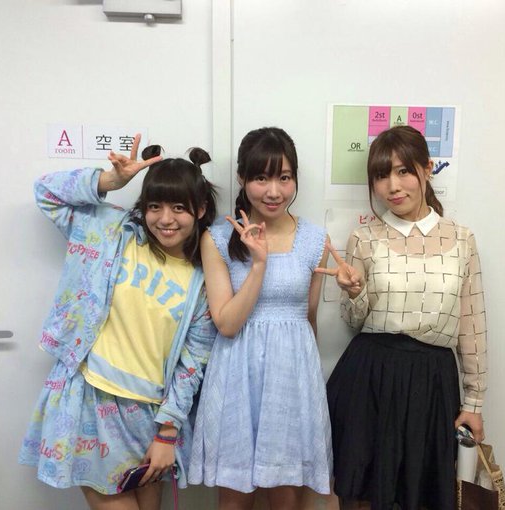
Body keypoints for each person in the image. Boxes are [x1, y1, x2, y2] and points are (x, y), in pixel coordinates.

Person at [18, 134, 218, 510]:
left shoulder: (203, 279)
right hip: (90, 398)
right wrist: (111, 181)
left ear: (201, 209)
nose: (165, 219)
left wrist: (167, 432)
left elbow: (193, 362)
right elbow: (46, 193)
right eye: (155, 206)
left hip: (149, 414)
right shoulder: (110, 232)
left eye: (179, 208)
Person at [318, 125, 487, 510]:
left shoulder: (461, 239)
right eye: (381, 176)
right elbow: (354, 321)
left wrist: (475, 402)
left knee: (422, 494)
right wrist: (355, 292)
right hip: (370, 378)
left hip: (432, 381)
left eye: (404, 171)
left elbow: (472, 323)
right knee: (359, 493)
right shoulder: (365, 238)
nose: (392, 186)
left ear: (427, 169)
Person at [188, 127, 333, 509]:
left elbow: (310, 317)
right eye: (261, 178)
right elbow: (226, 323)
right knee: (234, 499)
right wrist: (258, 265)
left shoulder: (315, 240)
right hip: (237, 374)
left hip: (292, 378)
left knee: (286, 497)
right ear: (242, 178)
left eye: (284, 178)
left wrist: (308, 386)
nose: (273, 191)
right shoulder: (218, 239)